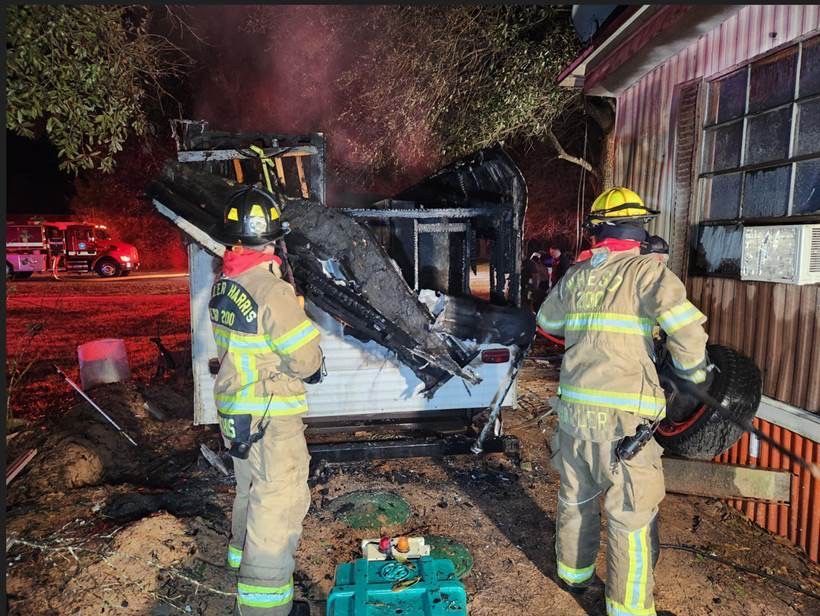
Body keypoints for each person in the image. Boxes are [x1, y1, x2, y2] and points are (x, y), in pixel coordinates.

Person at [537, 187, 708, 616]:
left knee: (575, 496)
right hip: (626, 421)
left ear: (596, 231)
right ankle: (629, 610)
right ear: (641, 228)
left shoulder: (576, 275)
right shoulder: (648, 273)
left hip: (574, 415)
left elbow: (547, 321)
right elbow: (687, 334)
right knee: (630, 515)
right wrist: (695, 379)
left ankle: (573, 576)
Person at [210, 186, 324, 616]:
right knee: (278, 502)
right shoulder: (272, 292)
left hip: (237, 411)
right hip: (270, 416)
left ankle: (238, 562)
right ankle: (265, 608)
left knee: (250, 491)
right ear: (274, 240)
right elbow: (306, 360)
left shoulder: (226, 285)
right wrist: (300, 317)